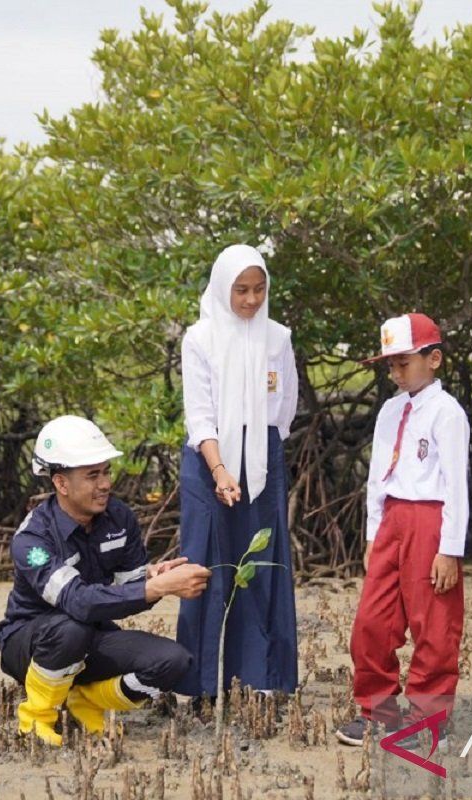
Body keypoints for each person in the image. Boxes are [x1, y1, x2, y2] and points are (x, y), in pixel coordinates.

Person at [0, 415, 212, 747]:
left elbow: (129, 587)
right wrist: (156, 588)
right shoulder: (32, 540)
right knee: (71, 627)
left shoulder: (119, 517)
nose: (105, 484)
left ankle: (87, 702)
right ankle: (37, 719)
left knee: (174, 662)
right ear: (60, 483)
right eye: (92, 475)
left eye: (106, 472)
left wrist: (153, 577)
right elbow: (78, 602)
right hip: (30, 643)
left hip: (89, 635)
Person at [336, 314, 470, 748]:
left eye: (403, 363)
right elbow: (377, 477)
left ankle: (430, 720)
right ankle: (378, 711)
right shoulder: (391, 410)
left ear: (434, 359)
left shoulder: (448, 413)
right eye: (390, 365)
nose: (395, 373)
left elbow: (455, 485)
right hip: (392, 519)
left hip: (430, 520)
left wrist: (449, 548)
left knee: (433, 622)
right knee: (371, 622)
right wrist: (373, 534)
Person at [174, 244, 299, 701]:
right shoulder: (200, 338)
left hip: (262, 459)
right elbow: (200, 415)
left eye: (260, 290)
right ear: (223, 288)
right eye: (241, 290)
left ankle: (261, 678)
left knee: (262, 563)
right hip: (210, 459)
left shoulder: (278, 338)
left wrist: (259, 453)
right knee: (206, 564)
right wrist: (222, 466)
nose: (251, 300)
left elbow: (285, 407)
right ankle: (199, 684)